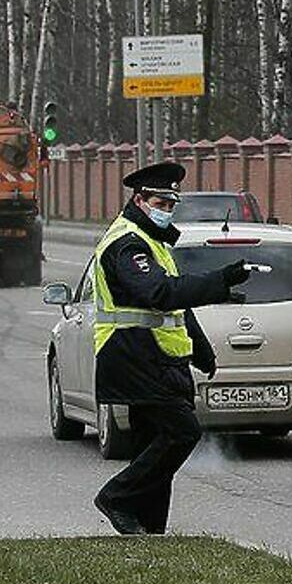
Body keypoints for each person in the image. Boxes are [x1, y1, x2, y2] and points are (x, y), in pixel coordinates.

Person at [91, 161, 251, 535]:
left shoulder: (152, 243)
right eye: (159, 203)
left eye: (170, 205)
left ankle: (149, 531)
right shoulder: (127, 244)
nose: (165, 211)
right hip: (134, 355)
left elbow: (176, 304)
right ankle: (116, 497)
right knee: (182, 433)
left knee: (153, 443)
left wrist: (200, 348)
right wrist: (219, 280)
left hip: (161, 357)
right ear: (139, 199)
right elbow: (159, 293)